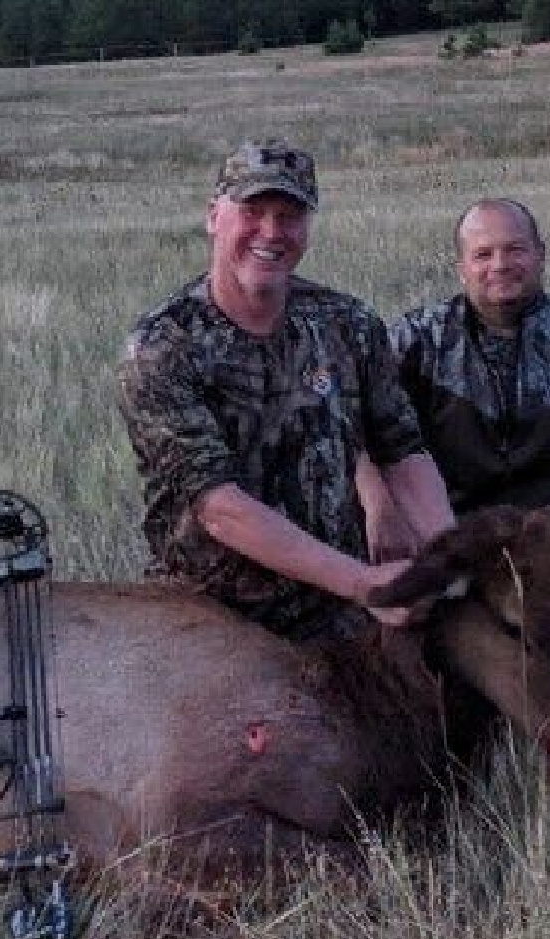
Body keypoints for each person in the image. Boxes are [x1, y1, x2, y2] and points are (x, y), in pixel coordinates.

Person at [118, 138, 455, 642]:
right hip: (208, 616)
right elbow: (219, 507)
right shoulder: (162, 348)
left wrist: (448, 558)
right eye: (253, 210)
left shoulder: (349, 324)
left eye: (290, 214)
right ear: (214, 216)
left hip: (339, 606)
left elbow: (402, 450)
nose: (272, 232)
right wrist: (363, 583)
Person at [361, 197, 550, 635]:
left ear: (540, 254)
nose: (500, 265)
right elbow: (355, 426)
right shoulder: (416, 341)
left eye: (515, 249)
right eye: (483, 254)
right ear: (461, 267)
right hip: (437, 561)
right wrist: (381, 511)